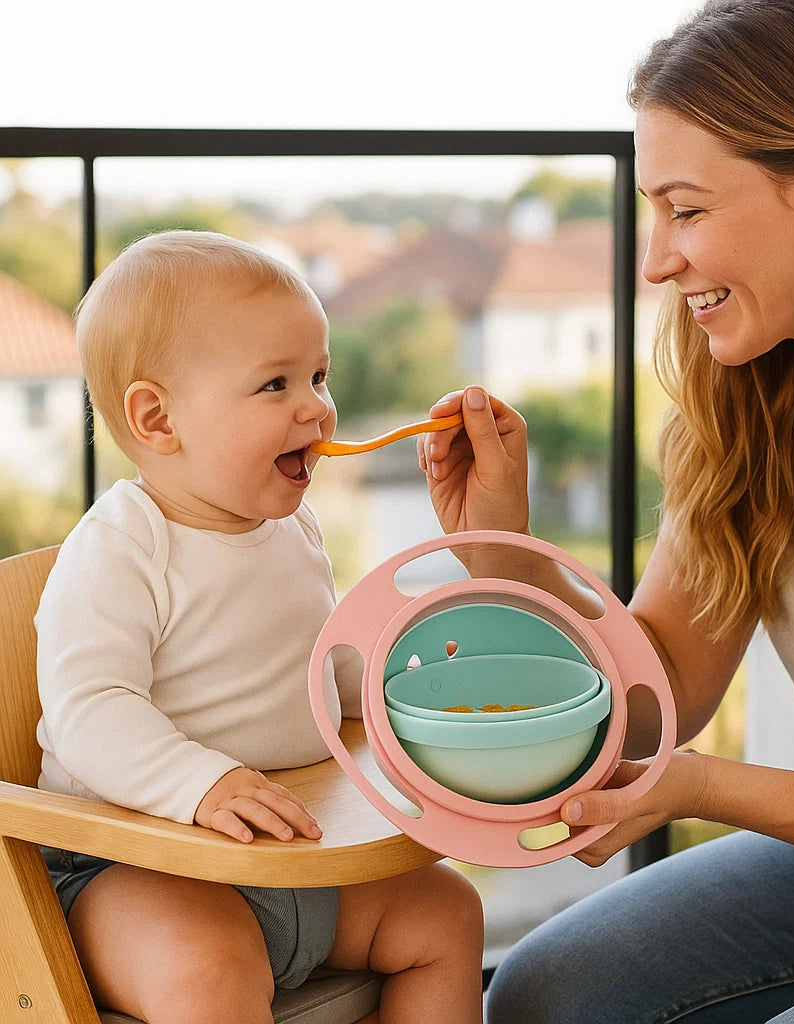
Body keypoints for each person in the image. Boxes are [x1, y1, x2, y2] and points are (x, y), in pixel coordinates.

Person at [417, 1, 794, 1020]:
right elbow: (659, 698)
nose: (657, 260)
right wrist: (506, 558)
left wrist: (700, 787)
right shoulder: (757, 402)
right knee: (545, 990)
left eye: (686, 211)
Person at [35, 230, 484, 1024]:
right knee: (207, 971)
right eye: (275, 385)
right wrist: (197, 784)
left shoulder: (293, 528)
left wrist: (387, 678)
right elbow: (87, 710)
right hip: (137, 868)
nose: (317, 405)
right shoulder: (121, 544)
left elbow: (313, 666)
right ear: (157, 418)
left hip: (294, 854)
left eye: (318, 374)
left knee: (445, 912)